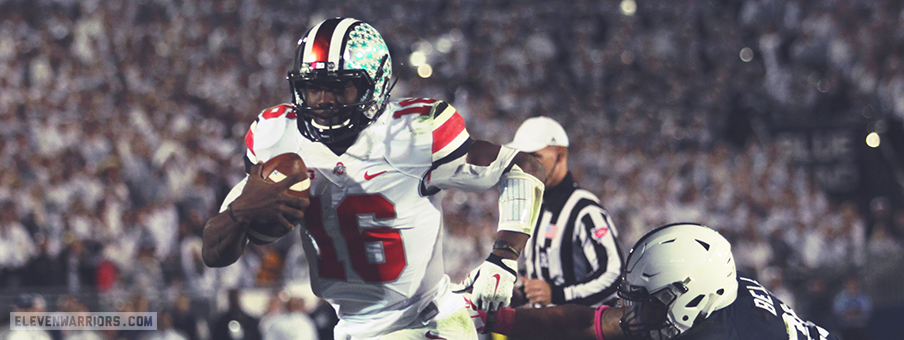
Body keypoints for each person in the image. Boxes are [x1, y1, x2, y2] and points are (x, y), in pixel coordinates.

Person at [202, 17, 546, 340]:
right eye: (314, 88)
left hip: (428, 321)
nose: (324, 101)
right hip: (351, 328)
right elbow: (214, 251)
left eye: (340, 89)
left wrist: (504, 256)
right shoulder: (276, 134)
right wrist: (240, 213)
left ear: (375, 86)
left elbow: (523, 167)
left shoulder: (415, 132)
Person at [467, 223, 838, 340]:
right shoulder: (708, 297)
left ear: (691, 301)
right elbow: (589, 323)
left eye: (649, 302)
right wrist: (494, 320)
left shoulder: (725, 332)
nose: (631, 312)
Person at [504, 116, 624, 307]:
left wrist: (560, 295)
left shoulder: (584, 209)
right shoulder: (534, 208)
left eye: (534, 157)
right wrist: (518, 294)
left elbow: (614, 273)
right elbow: (541, 279)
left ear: (560, 155)